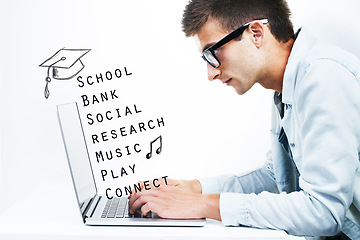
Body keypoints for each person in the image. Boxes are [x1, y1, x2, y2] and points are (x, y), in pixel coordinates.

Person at [129, 0, 360, 239]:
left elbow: (323, 212)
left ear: (256, 33)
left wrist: (201, 205)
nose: (211, 73)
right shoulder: (288, 87)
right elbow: (276, 176)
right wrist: (193, 189)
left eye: (213, 52)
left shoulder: (323, 76)